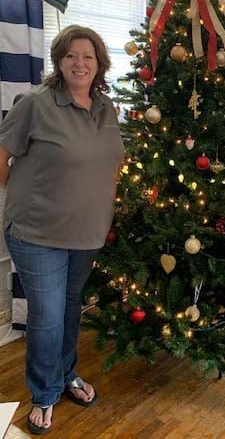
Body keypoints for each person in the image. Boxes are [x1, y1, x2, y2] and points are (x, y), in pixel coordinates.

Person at [0, 25, 124, 435]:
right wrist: (22, 195)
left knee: (70, 309)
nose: (79, 63)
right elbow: (2, 158)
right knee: (48, 317)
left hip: (87, 233)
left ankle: (66, 375)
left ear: (99, 63)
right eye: (71, 55)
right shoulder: (35, 103)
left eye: (88, 56)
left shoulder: (107, 108)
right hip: (38, 234)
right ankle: (45, 392)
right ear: (58, 60)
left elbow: (111, 164)